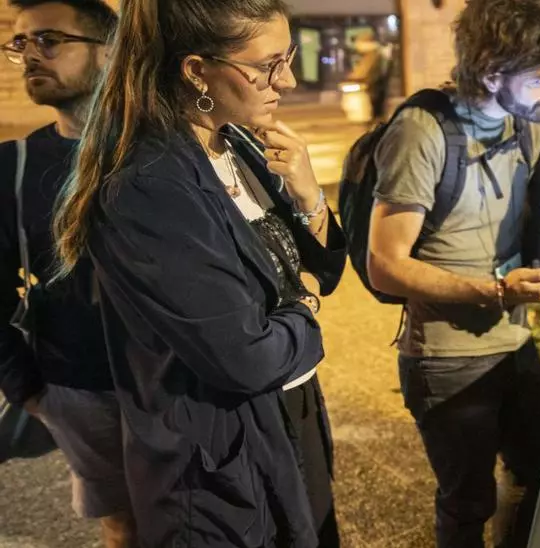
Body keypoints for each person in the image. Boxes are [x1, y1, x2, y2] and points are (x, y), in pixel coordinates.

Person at [50, 0, 347, 545]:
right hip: (219, 465)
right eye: (267, 66)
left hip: (287, 415)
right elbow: (247, 357)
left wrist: (309, 197)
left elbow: (322, 271)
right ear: (196, 71)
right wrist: (305, 308)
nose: (287, 80)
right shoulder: (151, 186)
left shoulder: (236, 142)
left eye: (287, 58)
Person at [364, 1, 540, 546]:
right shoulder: (421, 131)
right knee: (467, 503)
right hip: (446, 359)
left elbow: (528, 223)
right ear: (490, 74)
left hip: (515, 342)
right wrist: (494, 291)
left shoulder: (526, 124)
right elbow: (385, 264)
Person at [0, 0, 128, 545]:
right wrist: (29, 389)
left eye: (49, 40)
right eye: (20, 43)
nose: (31, 55)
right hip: (82, 389)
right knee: (125, 527)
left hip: (183, 384)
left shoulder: (163, 151)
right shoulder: (14, 166)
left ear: (110, 52)